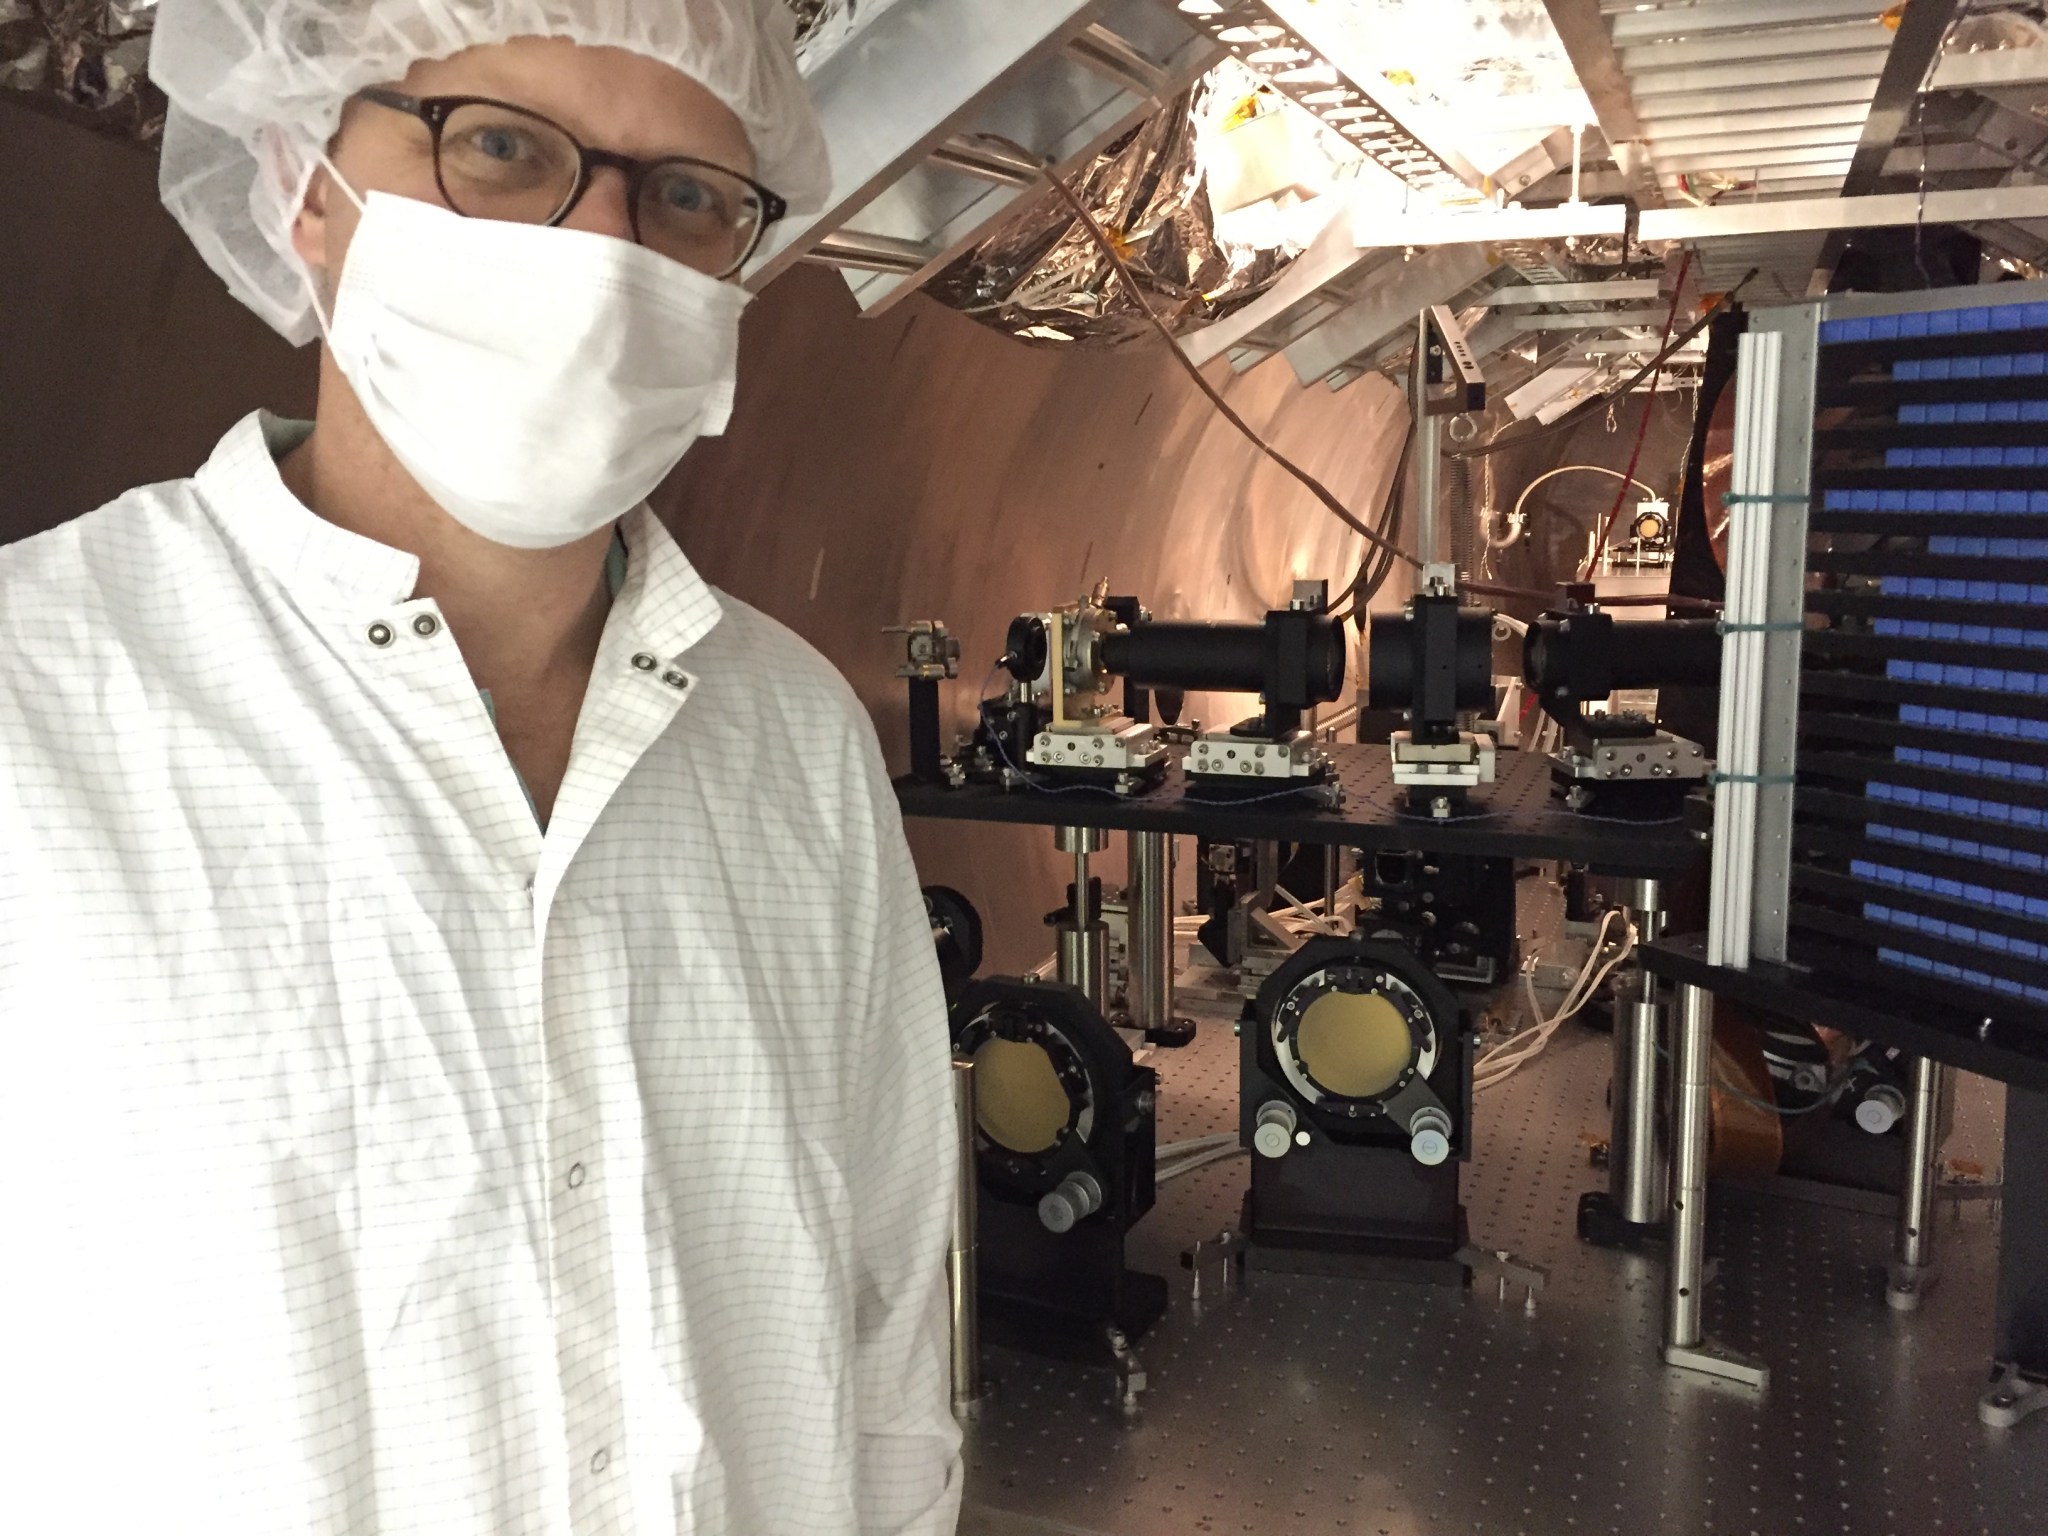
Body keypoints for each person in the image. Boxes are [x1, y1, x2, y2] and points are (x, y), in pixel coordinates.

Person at [0, 3, 962, 1533]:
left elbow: (891, 1320)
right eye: (502, 148)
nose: (601, 253)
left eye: (685, 198)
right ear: (306, 183)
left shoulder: (795, 743)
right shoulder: (35, 710)